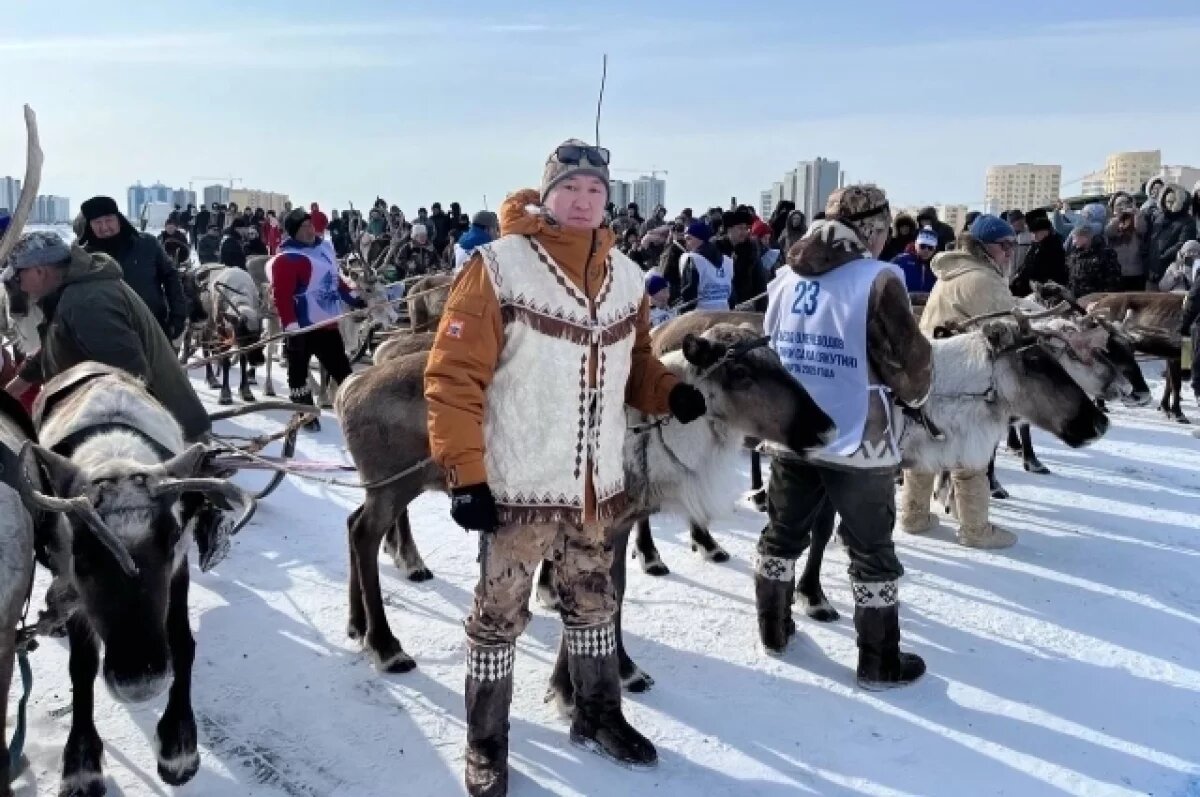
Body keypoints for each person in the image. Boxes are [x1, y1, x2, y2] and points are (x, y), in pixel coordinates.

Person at [425, 139, 708, 795]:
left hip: (594, 488)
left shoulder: (628, 278)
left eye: (595, 191)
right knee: (499, 615)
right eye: (569, 189)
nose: (582, 201)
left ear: (608, 200)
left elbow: (636, 363)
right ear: (547, 194)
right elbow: (453, 376)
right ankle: (486, 742)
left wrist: (668, 392)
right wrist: (465, 474)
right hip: (518, 486)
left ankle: (597, 714)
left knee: (593, 602)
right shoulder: (498, 267)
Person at [759, 184, 931, 686]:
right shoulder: (877, 279)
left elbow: (772, 341)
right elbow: (908, 366)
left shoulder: (785, 276)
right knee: (870, 550)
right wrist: (917, 396)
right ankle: (879, 660)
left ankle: (774, 630)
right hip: (861, 437)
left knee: (782, 533)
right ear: (873, 229)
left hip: (793, 427)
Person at [2, 231, 208, 440]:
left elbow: (129, 381)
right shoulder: (74, 290)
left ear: (39, 271)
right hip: (134, 424)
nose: (20, 286)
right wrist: (17, 386)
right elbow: (59, 342)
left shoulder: (87, 302)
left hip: (158, 436)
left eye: (18, 277)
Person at [907, 214, 1018, 549]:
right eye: (1004, 245)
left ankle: (913, 516)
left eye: (1013, 246)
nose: (1009, 252)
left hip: (929, 371)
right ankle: (975, 529)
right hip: (965, 379)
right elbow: (1008, 336)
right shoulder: (985, 280)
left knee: (924, 445)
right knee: (970, 456)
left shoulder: (950, 274)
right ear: (985, 247)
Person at [267, 209, 365, 431]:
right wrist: (291, 327)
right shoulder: (287, 259)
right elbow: (282, 296)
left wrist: (353, 297)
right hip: (301, 327)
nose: (310, 230)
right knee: (298, 375)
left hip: (327, 325)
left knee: (343, 371)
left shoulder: (325, 249)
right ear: (293, 232)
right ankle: (306, 413)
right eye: (304, 227)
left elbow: (335, 280)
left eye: (310, 225)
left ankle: (357, 411)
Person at [78, 195, 187, 342]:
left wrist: (178, 316)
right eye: (97, 222)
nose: (104, 227)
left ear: (118, 219)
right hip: (105, 336)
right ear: (89, 225)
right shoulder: (84, 257)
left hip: (153, 328)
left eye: (108, 220)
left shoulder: (146, 244)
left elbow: (170, 277)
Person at [715, 209, 767, 310]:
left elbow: (760, 281)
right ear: (729, 229)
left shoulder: (751, 250)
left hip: (746, 306)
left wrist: (761, 308)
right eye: (740, 228)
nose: (744, 232)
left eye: (746, 228)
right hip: (722, 307)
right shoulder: (717, 249)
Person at [1148, 183, 1196, 285]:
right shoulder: (1159, 217)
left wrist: (1162, 257)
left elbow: (1182, 244)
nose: (1169, 205)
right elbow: (1151, 240)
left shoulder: (1188, 221)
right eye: (1167, 201)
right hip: (1152, 270)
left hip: (1172, 271)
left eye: (1172, 201)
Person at [678, 220, 733, 311]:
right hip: (725, 314)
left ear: (701, 239)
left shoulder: (692, 259)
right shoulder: (728, 261)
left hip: (701, 316)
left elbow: (688, 296)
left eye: (689, 238)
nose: (685, 243)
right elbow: (732, 296)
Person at [1008, 214, 1067, 296]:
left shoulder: (1054, 248)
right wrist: (1019, 275)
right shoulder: (1036, 244)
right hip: (1028, 285)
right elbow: (1027, 263)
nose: (1034, 235)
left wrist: (1027, 279)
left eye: (1036, 232)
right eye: (1032, 233)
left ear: (1046, 232)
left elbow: (1045, 271)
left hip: (1041, 288)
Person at [1066, 223, 1122, 298]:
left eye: (1075, 238)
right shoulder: (1074, 255)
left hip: (1097, 300)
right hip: (1077, 299)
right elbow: (1071, 279)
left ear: (1085, 238)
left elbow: (1113, 281)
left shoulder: (1105, 254)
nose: (1073, 242)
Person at [1105, 196, 1146, 291]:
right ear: (1114, 208)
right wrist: (1118, 217)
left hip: (1136, 271)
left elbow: (1142, 230)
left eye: (1126, 203)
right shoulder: (1111, 221)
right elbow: (1109, 232)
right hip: (1116, 271)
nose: (1123, 206)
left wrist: (1137, 214)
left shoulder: (1136, 219)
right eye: (1119, 204)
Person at [891, 226, 938, 293]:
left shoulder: (937, 267)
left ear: (934, 249)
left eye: (930, 248)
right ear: (916, 244)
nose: (926, 250)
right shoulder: (900, 261)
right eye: (922, 246)